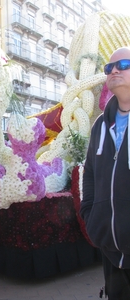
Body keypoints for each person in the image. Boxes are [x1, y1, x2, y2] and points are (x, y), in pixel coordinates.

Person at [80, 47, 130, 300]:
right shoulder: (101, 124)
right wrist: (90, 213)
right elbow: (89, 172)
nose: (114, 71)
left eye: (123, 64)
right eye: (109, 68)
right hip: (109, 248)